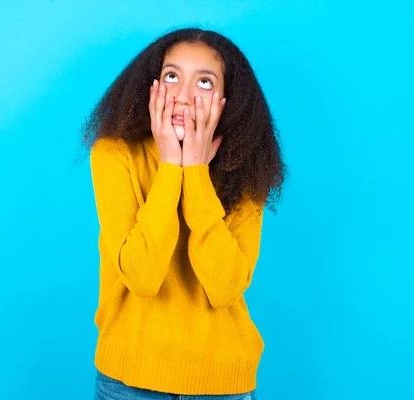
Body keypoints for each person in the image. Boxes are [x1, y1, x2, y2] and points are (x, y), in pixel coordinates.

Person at [83, 27, 285, 399]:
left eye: (205, 82)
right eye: (172, 76)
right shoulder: (114, 155)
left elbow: (224, 288)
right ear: (153, 86)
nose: (183, 96)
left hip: (222, 383)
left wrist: (195, 173)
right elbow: (141, 276)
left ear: (228, 99)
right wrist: (170, 168)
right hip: (129, 383)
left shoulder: (247, 170)